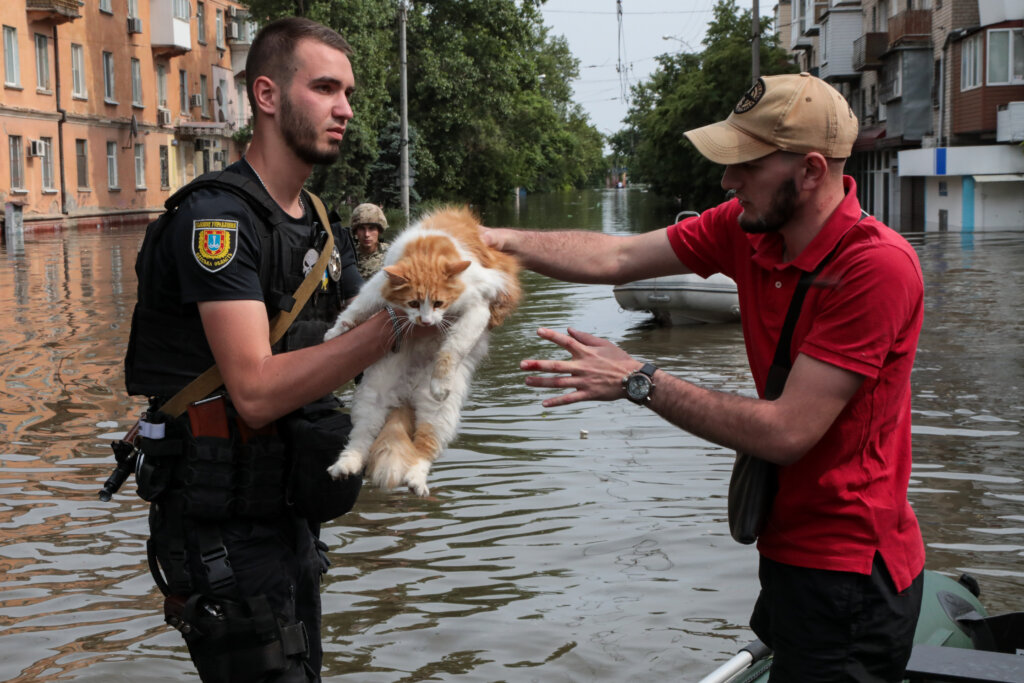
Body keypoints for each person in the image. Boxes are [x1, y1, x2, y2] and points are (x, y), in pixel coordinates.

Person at [483, 73, 925, 681]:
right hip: (787, 550)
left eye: (744, 163)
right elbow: (615, 256)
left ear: (813, 171)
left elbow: (786, 433)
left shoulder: (876, 269)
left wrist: (639, 379)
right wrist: (489, 240)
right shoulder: (746, 230)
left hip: (849, 573)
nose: (726, 181)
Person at [121, 17, 410, 682]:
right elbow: (252, 390)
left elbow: (363, 346)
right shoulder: (216, 222)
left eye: (350, 92)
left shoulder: (323, 229)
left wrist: (447, 304)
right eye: (326, 88)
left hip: (288, 517)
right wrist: (396, 324)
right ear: (267, 96)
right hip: (220, 530)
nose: (346, 108)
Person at [350, 202, 390, 280]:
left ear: (379, 231)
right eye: (362, 228)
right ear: (356, 231)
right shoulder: (349, 255)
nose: (366, 234)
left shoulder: (390, 253)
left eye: (371, 228)